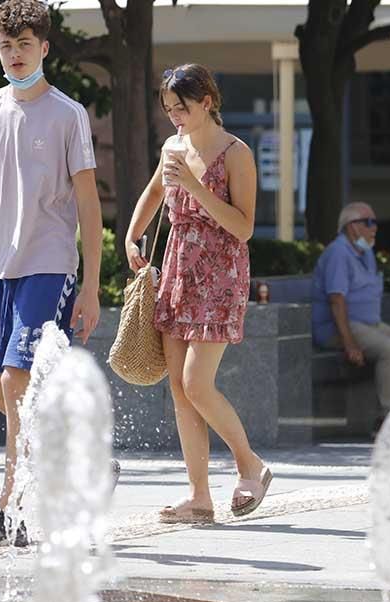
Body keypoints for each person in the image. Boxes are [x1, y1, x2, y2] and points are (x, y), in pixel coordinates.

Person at [0, 0, 112, 548]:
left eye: (24, 44)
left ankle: (8, 509)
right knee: (5, 393)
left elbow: (89, 205)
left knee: (19, 383)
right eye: (5, 46)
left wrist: (90, 286)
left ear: (44, 48)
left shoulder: (68, 114)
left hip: (49, 263)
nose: (14, 54)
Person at [124, 63, 271, 525]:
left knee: (196, 383)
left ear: (207, 102)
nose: (175, 117)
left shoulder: (236, 153)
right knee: (179, 391)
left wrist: (193, 186)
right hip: (176, 269)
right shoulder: (172, 146)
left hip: (220, 273)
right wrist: (131, 236)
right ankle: (199, 496)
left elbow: (243, 227)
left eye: (181, 107)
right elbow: (152, 193)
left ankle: (249, 463)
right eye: (168, 109)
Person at [312, 202, 390, 429]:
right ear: (351, 226)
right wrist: (349, 344)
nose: (374, 227)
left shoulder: (365, 253)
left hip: (371, 325)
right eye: (368, 222)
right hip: (340, 326)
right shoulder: (338, 252)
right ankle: (388, 421)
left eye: (375, 222)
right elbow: (336, 301)